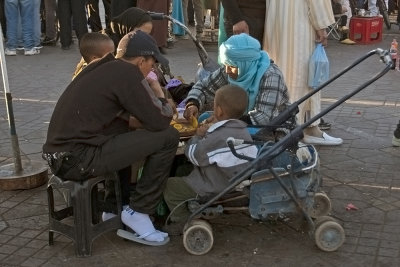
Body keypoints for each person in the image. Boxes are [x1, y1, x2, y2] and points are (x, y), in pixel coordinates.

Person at [42, 30, 179, 244]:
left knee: (123, 132)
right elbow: (160, 121)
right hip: (77, 159)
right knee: (169, 136)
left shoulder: (104, 68)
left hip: (61, 156)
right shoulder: (127, 73)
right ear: (141, 60)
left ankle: (112, 209)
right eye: (151, 64)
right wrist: (158, 92)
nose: (152, 70)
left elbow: (127, 120)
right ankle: (139, 212)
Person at [163, 84, 259, 233]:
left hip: (213, 186)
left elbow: (194, 155)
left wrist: (197, 136)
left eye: (215, 106)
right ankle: (190, 202)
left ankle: (183, 220)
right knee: (182, 169)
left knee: (170, 186)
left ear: (219, 110)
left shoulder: (218, 136)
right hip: (231, 180)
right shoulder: (243, 131)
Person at [263, 1, 343, 146]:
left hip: (277, 23)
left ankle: (284, 127)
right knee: (302, 75)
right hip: (299, 25)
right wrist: (321, 27)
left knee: (280, 72)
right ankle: (303, 129)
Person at [184, 33, 295, 132]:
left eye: (230, 66)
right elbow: (203, 87)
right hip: (239, 118)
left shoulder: (271, 76)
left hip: (271, 128)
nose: (226, 71)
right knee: (204, 118)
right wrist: (193, 104)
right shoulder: (231, 68)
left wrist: (224, 122)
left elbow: (263, 118)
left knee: (220, 134)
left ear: (245, 64)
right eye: (225, 65)